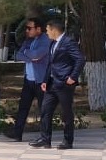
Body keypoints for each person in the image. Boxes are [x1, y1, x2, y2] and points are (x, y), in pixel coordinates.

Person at [31, 17, 85, 150]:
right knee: (45, 110)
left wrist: (73, 77)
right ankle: (45, 139)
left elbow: (80, 59)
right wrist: (45, 80)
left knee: (66, 113)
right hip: (51, 83)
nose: (46, 33)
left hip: (64, 84)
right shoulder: (53, 43)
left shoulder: (68, 42)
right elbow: (51, 64)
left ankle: (67, 141)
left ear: (54, 30)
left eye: (47, 30)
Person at [8, 17, 50, 142]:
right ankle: (17, 134)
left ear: (38, 29)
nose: (27, 30)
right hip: (28, 80)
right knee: (23, 107)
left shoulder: (45, 40)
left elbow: (37, 55)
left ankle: (45, 136)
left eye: (29, 28)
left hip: (41, 81)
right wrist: (30, 55)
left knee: (44, 109)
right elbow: (18, 55)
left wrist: (28, 53)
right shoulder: (28, 40)